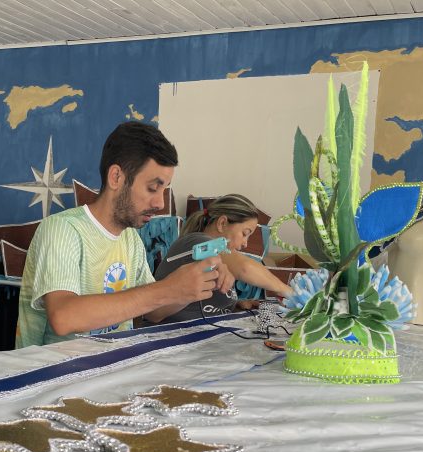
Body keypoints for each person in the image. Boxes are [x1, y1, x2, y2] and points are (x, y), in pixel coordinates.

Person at [16, 122, 234, 348]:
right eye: (152, 188)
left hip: (109, 371)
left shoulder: (131, 240)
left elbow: (155, 312)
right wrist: (167, 289)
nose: (160, 203)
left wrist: (193, 285)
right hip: (52, 377)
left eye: (164, 190)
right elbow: (64, 317)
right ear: (116, 177)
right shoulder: (63, 229)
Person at [154, 194, 292, 323]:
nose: (245, 243)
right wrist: (288, 292)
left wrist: (234, 306)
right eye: (245, 233)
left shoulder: (220, 260)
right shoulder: (195, 242)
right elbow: (245, 268)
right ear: (222, 223)